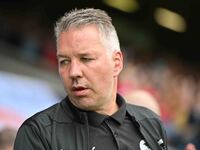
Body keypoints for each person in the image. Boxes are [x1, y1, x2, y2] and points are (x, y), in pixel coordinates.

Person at [14, 8, 168, 150]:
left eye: (86, 59)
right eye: (64, 61)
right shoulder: (38, 133)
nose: (74, 72)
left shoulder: (151, 123)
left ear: (117, 63)